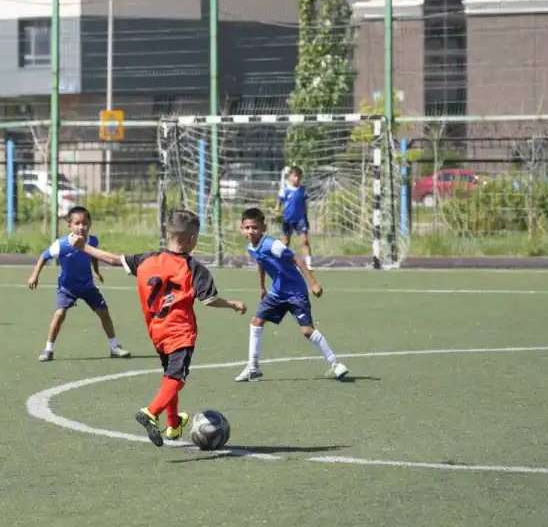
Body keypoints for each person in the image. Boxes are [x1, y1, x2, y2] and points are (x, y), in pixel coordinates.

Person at [71, 209, 246, 447]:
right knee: (177, 377)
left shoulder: (146, 259)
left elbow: (113, 259)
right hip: (180, 332)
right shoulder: (193, 268)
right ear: (191, 239)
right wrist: (232, 304)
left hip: (157, 332)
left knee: (169, 376)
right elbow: (208, 299)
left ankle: (173, 425)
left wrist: (84, 247)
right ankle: (151, 412)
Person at [234, 207, 349, 383]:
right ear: (242, 228)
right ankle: (253, 368)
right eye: (247, 227)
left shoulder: (272, 245)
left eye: (255, 227)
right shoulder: (251, 247)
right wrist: (262, 287)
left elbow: (297, 259)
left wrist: (313, 283)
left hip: (295, 292)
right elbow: (261, 263)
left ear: (263, 228)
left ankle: (335, 364)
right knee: (256, 322)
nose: (251, 231)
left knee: (307, 331)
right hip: (277, 292)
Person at [27, 206, 131, 362]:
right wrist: (34, 276)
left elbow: (93, 255)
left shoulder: (92, 241)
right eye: (77, 223)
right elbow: (44, 256)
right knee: (59, 314)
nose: (81, 227)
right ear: (70, 226)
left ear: (89, 224)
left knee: (104, 312)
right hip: (67, 288)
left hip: (87, 286)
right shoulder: (61, 245)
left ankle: (115, 347)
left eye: (84, 223)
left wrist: (96, 271)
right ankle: (48, 349)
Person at [278, 166, 314, 265]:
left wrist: (306, 216)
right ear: (289, 177)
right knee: (285, 242)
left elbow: (305, 204)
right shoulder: (285, 190)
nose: (297, 179)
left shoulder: (303, 190)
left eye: (299, 177)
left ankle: (309, 264)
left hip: (300, 219)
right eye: (294, 176)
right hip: (288, 219)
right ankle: (282, 262)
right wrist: (277, 211)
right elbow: (279, 203)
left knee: (305, 241)